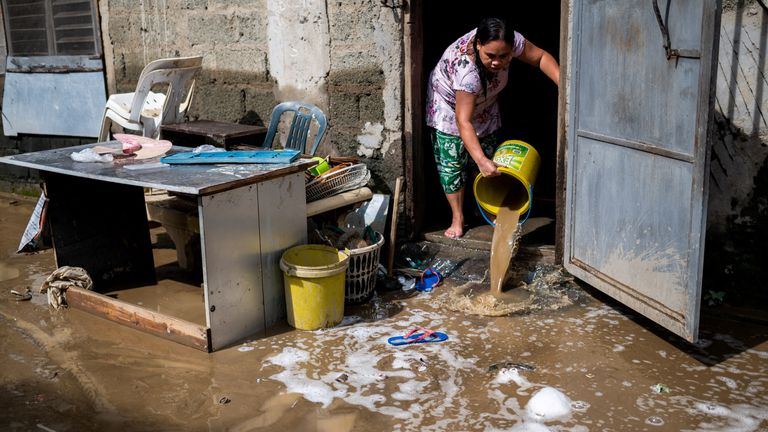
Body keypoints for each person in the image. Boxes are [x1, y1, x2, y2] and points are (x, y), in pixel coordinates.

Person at [426, 17, 560, 239]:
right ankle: (457, 217)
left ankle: (487, 208)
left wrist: (565, 85)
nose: (497, 62)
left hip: (484, 103)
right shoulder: (466, 71)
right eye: (490, 56)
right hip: (450, 107)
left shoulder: (512, 41)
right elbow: (463, 121)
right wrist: (480, 161)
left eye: (504, 56)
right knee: (453, 163)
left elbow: (541, 58)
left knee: (490, 155)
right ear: (478, 44)